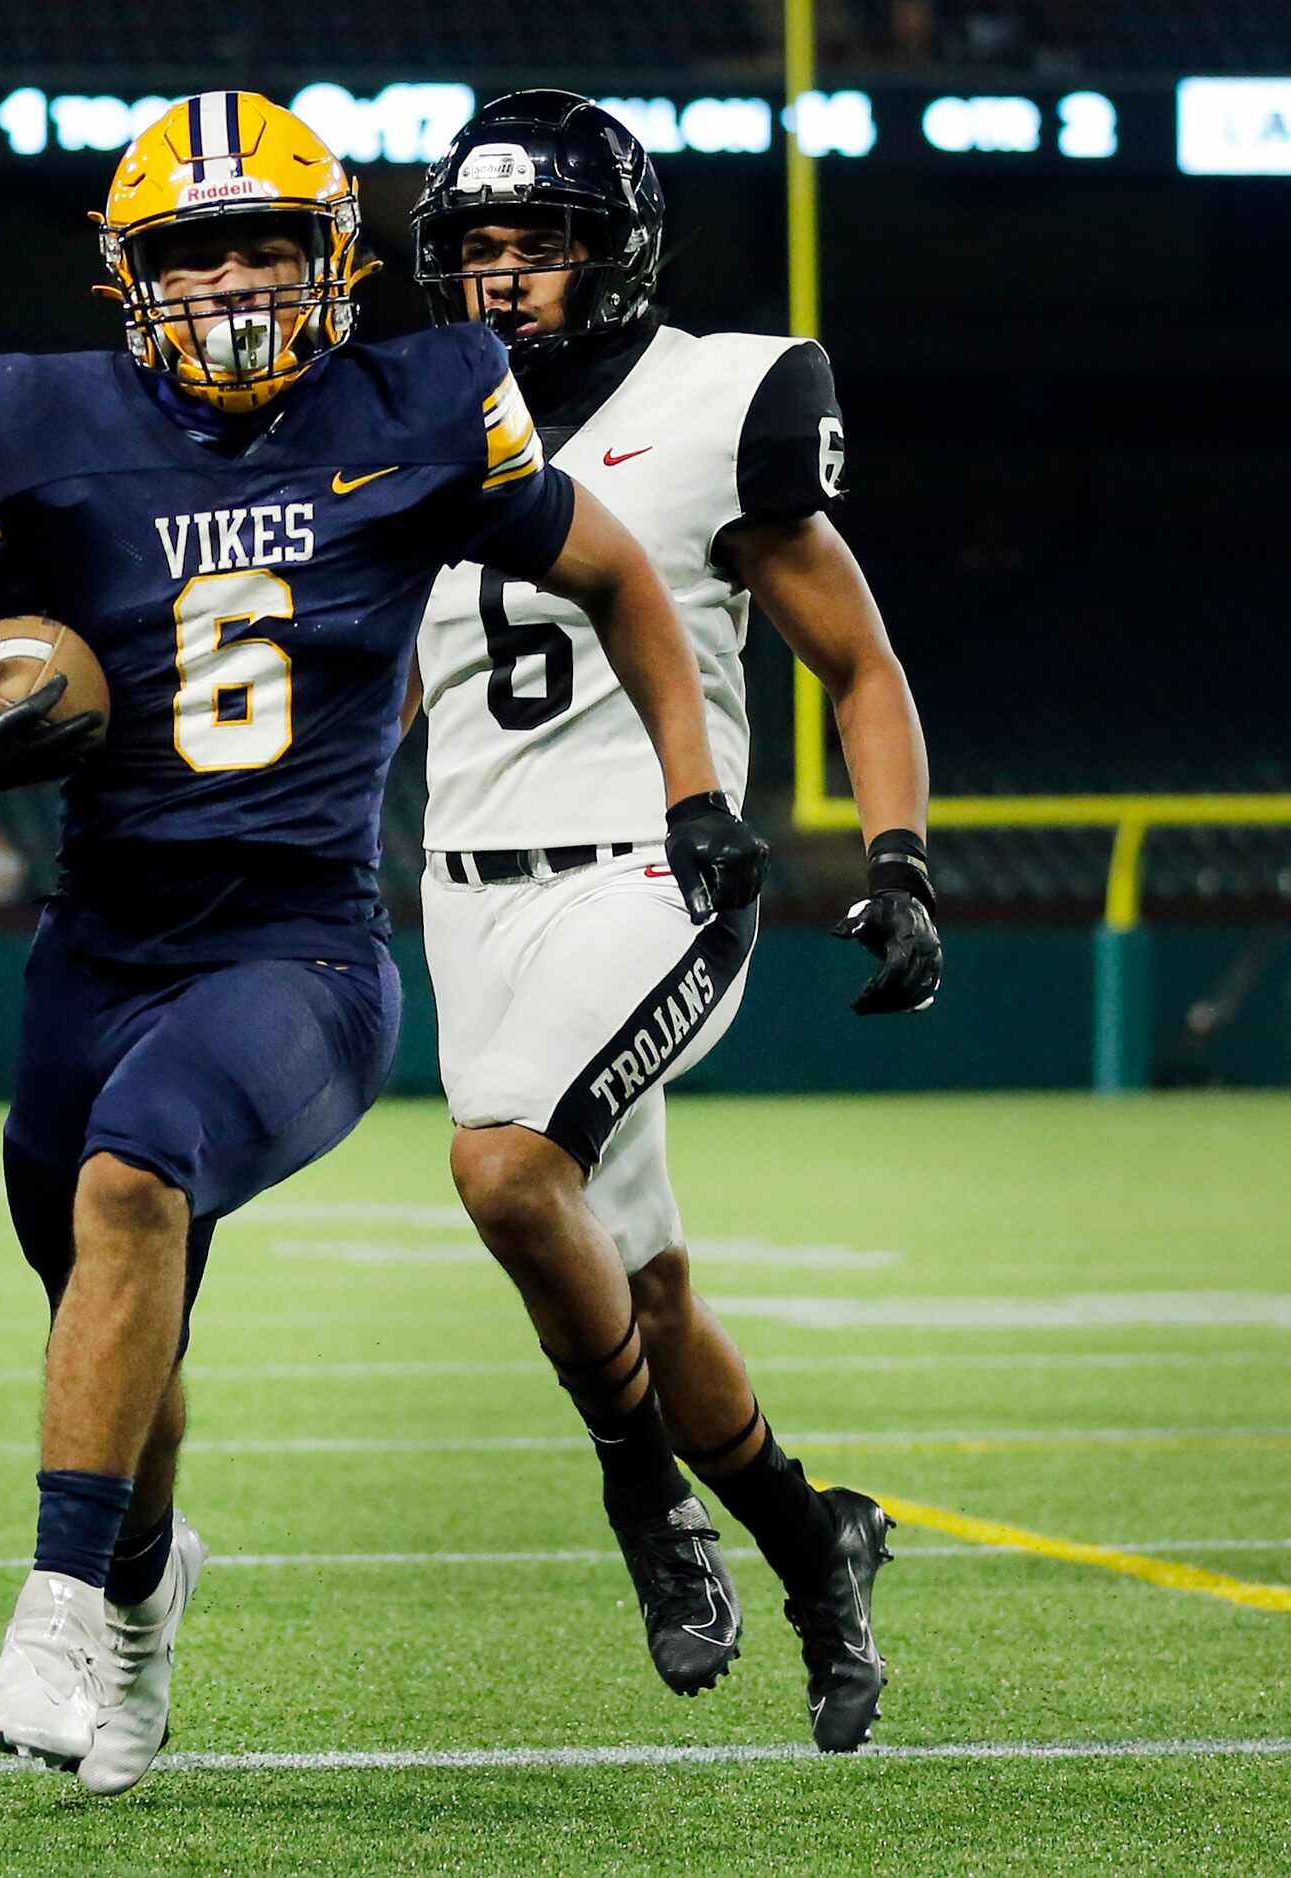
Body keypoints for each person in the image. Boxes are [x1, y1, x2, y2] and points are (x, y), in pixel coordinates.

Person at [0, 91, 759, 1795]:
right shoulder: (28, 427)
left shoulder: (422, 409)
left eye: (263, 242)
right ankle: (135, 1585)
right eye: (193, 251)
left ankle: (54, 1602)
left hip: (299, 952)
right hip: (98, 950)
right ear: (130, 275)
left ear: (332, 258)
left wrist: (692, 781)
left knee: (133, 1182)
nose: (229, 283)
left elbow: (628, 581)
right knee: (124, 1334)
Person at [406, 90, 940, 1751]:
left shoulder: (716, 400)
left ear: (613, 256)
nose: (503, 279)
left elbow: (855, 661)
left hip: (662, 870)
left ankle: (648, 1505)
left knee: (505, 1172)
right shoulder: (409, 424)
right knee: (643, 1293)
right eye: (478, 248)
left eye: (538, 245)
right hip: (466, 898)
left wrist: (902, 860)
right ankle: (812, 1538)